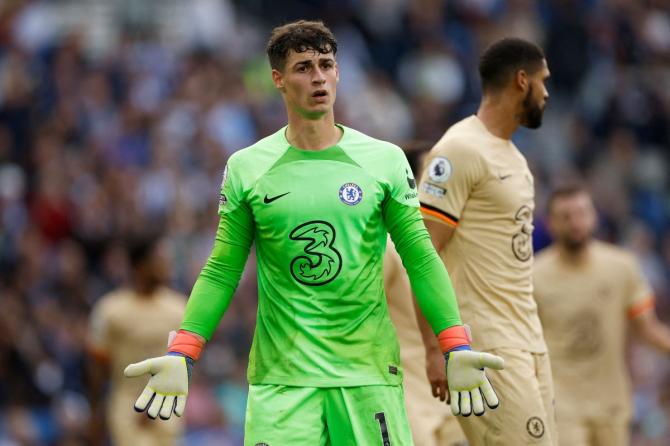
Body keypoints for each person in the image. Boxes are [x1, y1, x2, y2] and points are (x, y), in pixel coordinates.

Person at [123, 20, 503, 445]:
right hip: (282, 383)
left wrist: (454, 343)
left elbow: (420, 256)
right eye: (303, 67)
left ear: (339, 72)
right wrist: (183, 352)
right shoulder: (248, 167)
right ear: (278, 80)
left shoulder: (384, 161)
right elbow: (222, 270)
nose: (318, 76)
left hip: (366, 376)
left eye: (326, 64)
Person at [415, 38, 556, 445]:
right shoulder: (459, 149)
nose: (547, 93)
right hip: (486, 345)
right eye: (543, 81)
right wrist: (435, 349)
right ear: (521, 80)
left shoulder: (513, 157)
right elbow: (421, 255)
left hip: (528, 340)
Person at [534, 184, 670, 446]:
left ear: (594, 216)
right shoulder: (534, 277)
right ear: (550, 223)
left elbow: (647, 329)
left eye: (582, 213)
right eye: (566, 216)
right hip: (562, 404)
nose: (575, 223)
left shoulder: (622, 267)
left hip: (612, 403)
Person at [384, 143, 467, 446]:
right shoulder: (386, 247)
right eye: (431, 179)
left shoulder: (452, 249)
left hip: (454, 397)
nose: (441, 188)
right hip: (407, 401)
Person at [88, 237, 186, 446]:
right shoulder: (110, 310)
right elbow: (98, 368)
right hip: (128, 409)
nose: (166, 266)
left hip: (167, 408)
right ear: (141, 265)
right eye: (159, 260)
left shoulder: (179, 308)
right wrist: (95, 415)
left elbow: (186, 363)